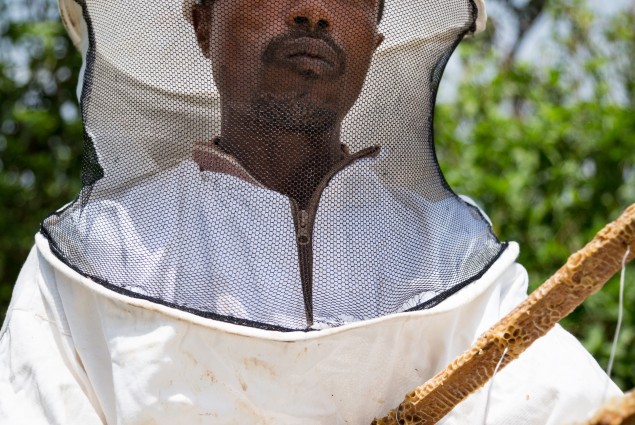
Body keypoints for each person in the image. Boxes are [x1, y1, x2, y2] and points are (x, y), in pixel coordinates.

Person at [0, 0, 622, 423]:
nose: (314, 9)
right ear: (202, 21)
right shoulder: (99, 255)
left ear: (377, 40)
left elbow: (561, 403)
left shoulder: (446, 253)